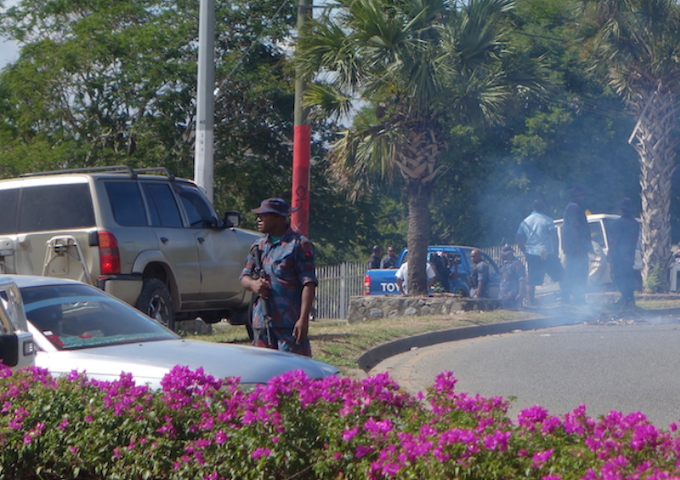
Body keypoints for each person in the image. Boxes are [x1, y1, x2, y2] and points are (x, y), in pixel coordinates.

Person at [240, 198, 317, 357]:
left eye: (264, 215)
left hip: (288, 324)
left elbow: (308, 283)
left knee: (294, 372)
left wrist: (303, 320)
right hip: (262, 322)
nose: (259, 219)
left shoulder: (299, 244)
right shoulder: (258, 246)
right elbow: (244, 277)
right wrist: (254, 285)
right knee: (264, 372)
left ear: (279, 218)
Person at [516, 199, 564, 306]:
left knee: (532, 280)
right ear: (544, 208)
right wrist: (555, 252)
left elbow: (519, 238)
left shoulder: (525, 221)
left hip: (532, 253)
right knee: (561, 275)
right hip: (547, 253)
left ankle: (531, 302)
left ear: (533, 208)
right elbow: (554, 236)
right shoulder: (547, 220)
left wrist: (524, 250)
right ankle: (566, 298)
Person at [561, 184, 592, 305]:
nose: (586, 197)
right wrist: (579, 246)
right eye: (584, 195)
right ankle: (572, 298)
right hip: (576, 247)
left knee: (577, 272)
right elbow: (574, 228)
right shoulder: (574, 208)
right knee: (576, 272)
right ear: (578, 195)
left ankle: (577, 297)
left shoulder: (575, 207)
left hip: (575, 247)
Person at [608, 197, 640, 306]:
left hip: (619, 255)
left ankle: (625, 298)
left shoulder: (619, 223)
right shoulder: (635, 223)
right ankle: (629, 298)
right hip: (629, 255)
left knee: (619, 276)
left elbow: (614, 241)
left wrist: (610, 253)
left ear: (621, 210)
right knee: (628, 276)